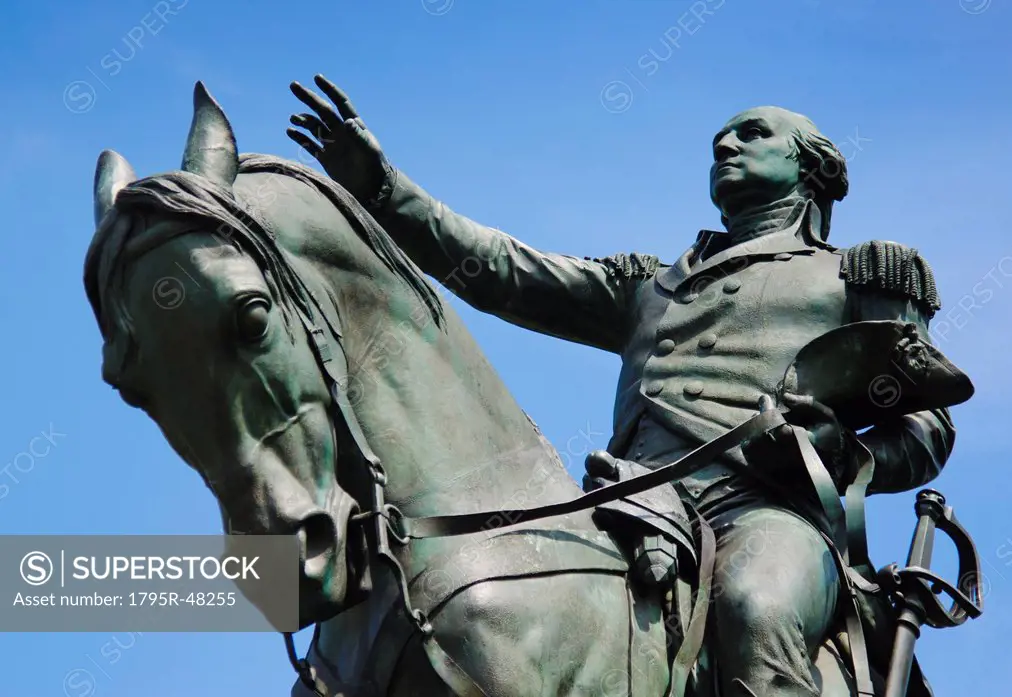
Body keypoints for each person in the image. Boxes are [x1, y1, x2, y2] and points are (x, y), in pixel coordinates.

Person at [285, 75, 954, 697]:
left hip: (767, 512)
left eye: (752, 133)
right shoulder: (650, 287)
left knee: (756, 605)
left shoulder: (860, 275)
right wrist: (381, 188)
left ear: (811, 166)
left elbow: (926, 426)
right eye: (722, 136)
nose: (725, 143)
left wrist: (841, 451)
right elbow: (497, 268)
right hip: (632, 498)